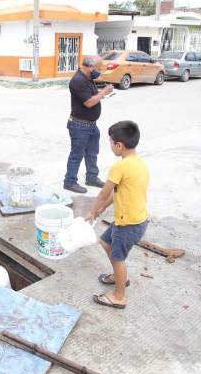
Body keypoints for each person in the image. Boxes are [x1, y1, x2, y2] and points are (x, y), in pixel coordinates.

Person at [85, 121, 149, 309]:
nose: (111, 146)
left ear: (119, 145)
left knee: (118, 257)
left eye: (111, 143)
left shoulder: (119, 167)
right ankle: (119, 276)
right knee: (105, 242)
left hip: (128, 224)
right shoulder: (140, 164)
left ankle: (119, 296)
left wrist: (92, 210)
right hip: (134, 220)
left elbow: (104, 192)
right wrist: (102, 209)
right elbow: (117, 192)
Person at [64, 56, 114, 194]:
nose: (99, 72)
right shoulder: (78, 80)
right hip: (80, 125)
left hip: (91, 124)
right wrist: (104, 92)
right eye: (98, 69)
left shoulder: (88, 78)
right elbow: (89, 102)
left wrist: (102, 94)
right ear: (91, 67)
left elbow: (92, 96)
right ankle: (69, 181)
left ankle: (91, 177)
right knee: (77, 155)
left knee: (92, 153)